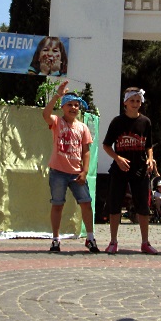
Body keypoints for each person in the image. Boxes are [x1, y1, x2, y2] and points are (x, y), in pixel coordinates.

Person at [42, 80, 99, 253]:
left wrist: (85, 171)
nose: (73, 108)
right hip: (58, 172)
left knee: (86, 204)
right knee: (57, 204)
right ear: (63, 106)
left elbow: (86, 151)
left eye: (76, 105)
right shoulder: (57, 122)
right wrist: (57, 95)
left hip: (77, 174)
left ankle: (90, 238)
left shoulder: (83, 128)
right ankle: (55, 239)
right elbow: (45, 114)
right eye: (69, 105)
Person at [102, 87, 158, 254]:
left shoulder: (145, 122)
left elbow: (148, 145)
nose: (135, 104)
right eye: (132, 101)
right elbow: (106, 145)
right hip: (120, 169)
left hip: (140, 168)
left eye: (138, 101)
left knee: (143, 205)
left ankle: (145, 242)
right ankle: (113, 241)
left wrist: (149, 158)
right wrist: (117, 158)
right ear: (125, 102)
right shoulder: (117, 122)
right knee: (115, 204)